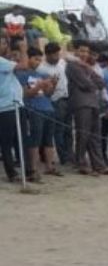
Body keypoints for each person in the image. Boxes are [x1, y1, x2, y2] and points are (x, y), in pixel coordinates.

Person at [63, 42, 108, 176]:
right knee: (83, 134)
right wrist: (92, 78)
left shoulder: (87, 67)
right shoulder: (72, 66)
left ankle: (99, 164)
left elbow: (101, 83)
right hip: (81, 103)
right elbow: (87, 84)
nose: (84, 54)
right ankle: (81, 163)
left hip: (94, 103)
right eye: (81, 51)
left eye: (87, 52)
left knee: (95, 135)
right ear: (75, 52)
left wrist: (87, 68)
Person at [20, 47, 62, 178]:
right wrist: (40, 85)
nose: (38, 62)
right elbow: (26, 94)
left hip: (48, 108)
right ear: (27, 58)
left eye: (39, 59)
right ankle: (33, 168)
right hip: (34, 110)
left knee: (49, 140)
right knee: (35, 140)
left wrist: (53, 85)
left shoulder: (42, 75)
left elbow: (48, 94)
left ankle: (49, 166)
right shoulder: (22, 75)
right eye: (35, 59)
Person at [38, 42, 71, 165]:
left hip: (66, 98)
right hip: (53, 100)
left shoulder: (62, 63)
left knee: (67, 129)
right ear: (47, 55)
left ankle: (68, 154)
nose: (56, 57)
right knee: (58, 130)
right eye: (53, 55)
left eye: (57, 54)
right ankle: (63, 157)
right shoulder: (42, 68)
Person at [0, 47, 27, 182]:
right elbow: (24, 65)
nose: (5, 45)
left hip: (14, 105)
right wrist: (24, 48)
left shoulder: (4, 61)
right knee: (8, 142)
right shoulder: (1, 61)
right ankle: (12, 173)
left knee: (18, 140)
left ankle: (22, 170)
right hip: (7, 106)